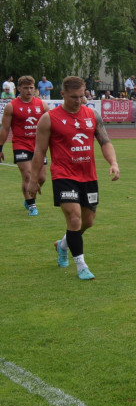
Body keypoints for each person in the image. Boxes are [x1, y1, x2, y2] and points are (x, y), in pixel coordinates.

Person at [27, 76, 120, 280]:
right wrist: (33, 180)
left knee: (88, 221)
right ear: (62, 95)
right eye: (73, 97)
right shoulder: (49, 118)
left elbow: (105, 142)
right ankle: (81, 265)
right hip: (63, 175)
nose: (78, 101)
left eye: (81, 96)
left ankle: (62, 245)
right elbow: (40, 151)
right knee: (74, 217)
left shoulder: (92, 115)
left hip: (88, 175)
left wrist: (113, 162)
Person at [0, 76, 49, 215]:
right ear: (19, 88)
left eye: (31, 88)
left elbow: (53, 124)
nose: (29, 90)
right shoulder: (12, 106)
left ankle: (28, 197)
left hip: (39, 145)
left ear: (35, 88)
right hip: (20, 144)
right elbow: (4, 128)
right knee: (27, 175)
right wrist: (0, 148)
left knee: (42, 177)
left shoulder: (42, 105)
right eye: (26, 88)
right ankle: (32, 205)